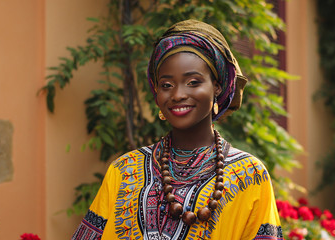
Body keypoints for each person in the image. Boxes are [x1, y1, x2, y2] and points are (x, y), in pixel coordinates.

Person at [72, 19, 282, 240]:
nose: (178, 94)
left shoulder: (250, 174)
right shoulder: (124, 170)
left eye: (193, 82)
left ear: (217, 87)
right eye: (167, 85)